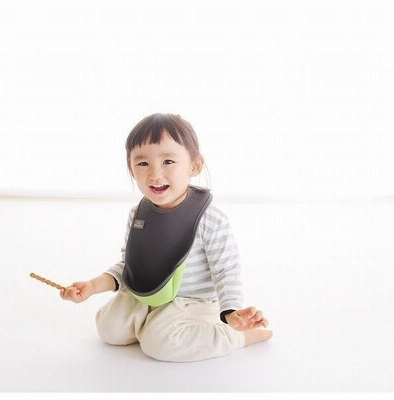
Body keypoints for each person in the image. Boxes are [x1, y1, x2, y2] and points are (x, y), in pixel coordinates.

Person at [60, 113, 272, 362]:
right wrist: (93, 286)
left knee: (158, 344)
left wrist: (231, 312)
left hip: (192, 302)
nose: (154, 174)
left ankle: (237, 337)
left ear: (194, 166)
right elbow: (131, 266)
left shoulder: (210, 220)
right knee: (109, 328)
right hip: (149, 294)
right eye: (143, 163)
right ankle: (153, 321)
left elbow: (227, 271)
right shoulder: (138, 215)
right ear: (130, 169)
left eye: (168, 161)